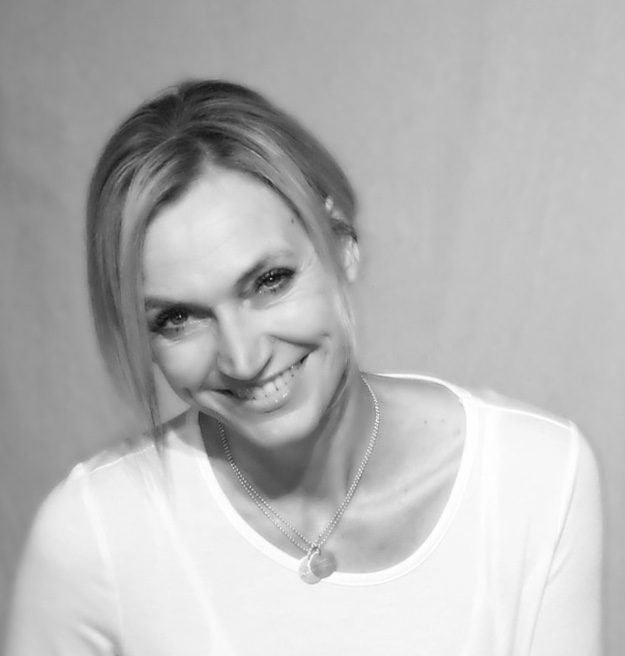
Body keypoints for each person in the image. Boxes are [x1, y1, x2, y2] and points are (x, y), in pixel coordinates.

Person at [5, 80, 602, 656]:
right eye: (179, 318)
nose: (243, 359)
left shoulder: (533, 475)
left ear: (342, 245)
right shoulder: (94, 532)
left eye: (269, 281)